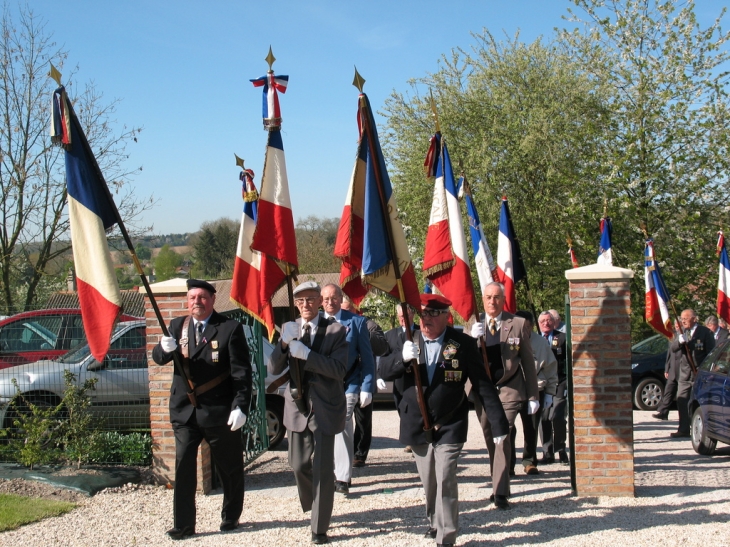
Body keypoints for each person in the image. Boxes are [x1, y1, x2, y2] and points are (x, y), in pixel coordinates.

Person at [380, 294, 508, 547]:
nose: (425, 319)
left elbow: (483, 385)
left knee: (446, 474)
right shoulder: (406, 340)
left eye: (432, 314)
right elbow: (384, 371)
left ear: (445, 316)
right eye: (423, 314)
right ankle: (434, 520)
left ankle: (446, 536)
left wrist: (499, 422)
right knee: (429, 480)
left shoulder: (461, 343)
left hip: (450, 422)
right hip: (416, 422)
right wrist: (402, 359)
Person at [152, 279, 252, 540]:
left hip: (219, 410)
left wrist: (240, 406)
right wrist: (163, 350)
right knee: (184, 466)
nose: (197, 301)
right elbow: (158, 357)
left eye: (202, 297)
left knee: (229, 467)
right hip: (185, 412)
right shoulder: (177, 326)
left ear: (212, 300)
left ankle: (230, 515)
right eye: (192, 297)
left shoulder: (229, 329)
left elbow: (242, 374)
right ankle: (183, 524)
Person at [268, 281, 349, 545]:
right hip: (297, 407)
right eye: (300, 301)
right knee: (298, 465)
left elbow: (338, 369)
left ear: (319, 301)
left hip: (325, 407)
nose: (305, 305)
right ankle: (315, 502)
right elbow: (273, 367)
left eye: (310, 300)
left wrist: (307, 355)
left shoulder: (337, 330)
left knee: (324, 471)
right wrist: (283, 344)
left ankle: (319, 526)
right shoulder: (289, 328)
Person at [470, 282, 539, 510]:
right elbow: (461, 360)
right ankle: (501, 481)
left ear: (503, 299)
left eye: (497, 297)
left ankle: (499, 491)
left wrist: (533, 396)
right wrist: (470, 339)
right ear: (483, 299)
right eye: (488, 297)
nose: (492, 302)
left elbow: (528, 362)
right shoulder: (473, 323)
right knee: (491, 438)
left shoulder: (517, 324)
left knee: (503, 436)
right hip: (483, 392)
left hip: (509, 389)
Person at [320, 284, 375, 494]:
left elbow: (367, 359)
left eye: (334, 298)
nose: (330, 302)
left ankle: (342, 478)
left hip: (349, 383)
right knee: (326, 427)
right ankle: (329, 471)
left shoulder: (357, 322)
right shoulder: (316, 323)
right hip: (324, 385)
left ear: (340, 298)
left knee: (342, 424)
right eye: (325, 299)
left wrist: (367, 386)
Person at [341, 298, 389, 468]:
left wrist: (365, 335)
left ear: (356, 309)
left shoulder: (369, 325)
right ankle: (341, 454)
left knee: (362, 419)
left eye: (348, 309)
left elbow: (383, 349)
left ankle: (359, 453)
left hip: (363, 379)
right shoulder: (338, 323)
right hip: (344, 380)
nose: (345, 312)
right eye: (343, 309)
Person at [510, 310, 558, 476]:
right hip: (512, 390)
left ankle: (529, 461)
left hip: (535, 389)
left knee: (531, 428)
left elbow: (551, 368)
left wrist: (550, 393)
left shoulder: (540, 342)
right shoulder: (508, 339)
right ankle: (508, 464)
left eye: (527, 326)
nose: (524, 330)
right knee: (508, 427)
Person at [669, 309, 714, 438]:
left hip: (699, 373)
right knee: (682, 399)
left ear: (694, 319)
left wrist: (704, 368)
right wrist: (679, 341)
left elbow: (711, 353)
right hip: (684, 374)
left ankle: (700, 429)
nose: (683, 321)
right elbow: (673, 349)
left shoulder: (705, 332)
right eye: (682, 319)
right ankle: (683, 428)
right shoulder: (682, 332)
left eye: (686, 319)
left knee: (698, 402)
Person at [537, 311, 569, 465]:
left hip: (560, 382)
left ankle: (561, 450)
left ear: (554, 321)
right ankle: (547, 452)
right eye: (542, 321)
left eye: (549, 320)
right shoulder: (535, 339)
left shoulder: (562, 338)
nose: (546, 323)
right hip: (542, 384)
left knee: (556, 416)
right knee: (543, 418)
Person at [652, 345, 678, 421]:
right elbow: (669, 355)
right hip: (672, 370)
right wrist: (667, 369)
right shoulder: (673, 337)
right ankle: (663, 412)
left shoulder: (685, 336)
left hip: (683, 370)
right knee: (668, 392)